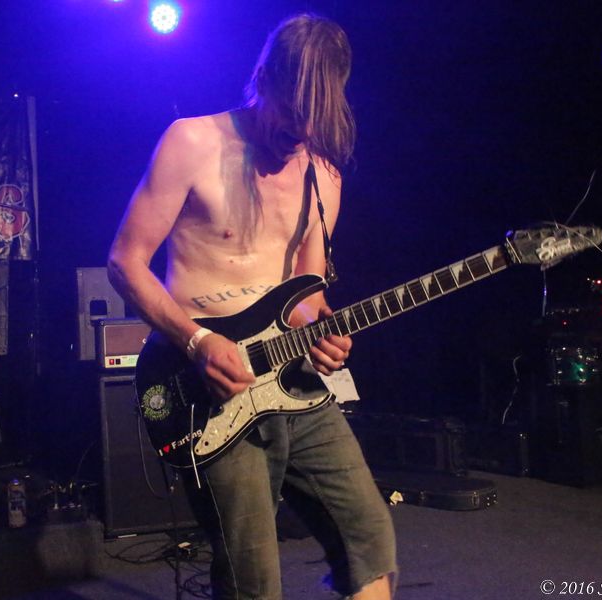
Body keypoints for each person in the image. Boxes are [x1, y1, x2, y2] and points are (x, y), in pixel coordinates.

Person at [108, 14, 396, 599]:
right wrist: (197, 342)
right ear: (263, 79)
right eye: (292, 111)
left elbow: (307, 292)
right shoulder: (192, 142)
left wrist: (323, 333)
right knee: (253, 577)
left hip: (293, 381)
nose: (300, 131)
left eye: (316, 118)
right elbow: (125, 262)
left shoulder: (324, 175)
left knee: (369, 541)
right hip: (208, 386)